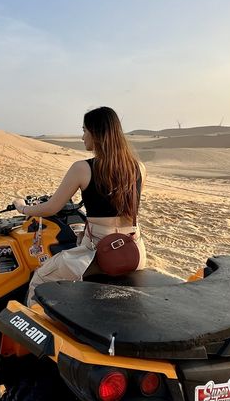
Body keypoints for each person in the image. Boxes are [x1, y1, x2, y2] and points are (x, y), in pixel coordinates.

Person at [12, 106, 146, 307]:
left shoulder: (82, 168)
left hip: (97, 256)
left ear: (97, 133)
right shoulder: (139, 167)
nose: (82, 136)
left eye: (84, 130)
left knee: (40, 280)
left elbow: (51, 208)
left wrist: (22, 208)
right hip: (134, 252)